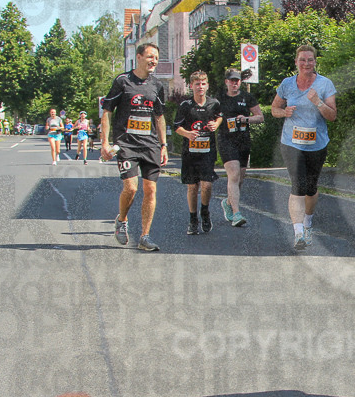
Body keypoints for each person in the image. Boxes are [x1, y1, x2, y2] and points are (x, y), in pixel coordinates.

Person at [100, 42, 168, 252]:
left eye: (156, 58)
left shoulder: (157, 85)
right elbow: (107, 112)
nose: (153, 61)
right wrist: (104, 142)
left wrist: (164, 144)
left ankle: (144, 237)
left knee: (151, 189)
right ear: (138, 57)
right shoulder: (122, 81)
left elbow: (159, 117)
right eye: (150, 57)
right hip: (126, 144)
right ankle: (122, 220)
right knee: (131, 188)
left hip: (150, 145)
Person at [271, 44, 338, 250]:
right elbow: (274, 108)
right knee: (297, 184)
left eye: (310, 60)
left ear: (315, 62)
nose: (306, 63)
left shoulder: (325, 84)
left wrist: (318, 102)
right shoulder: (287, 84)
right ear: (296, 62)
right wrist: (284, 113)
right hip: (291, 142)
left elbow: (332, 116)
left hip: (316, 144)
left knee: (311, 188)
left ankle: (308, 221)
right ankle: (298, 232)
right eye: (302, 60)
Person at [174, 71, 223, 235]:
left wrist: (216, 124)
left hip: (208, 151)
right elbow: (177, 127)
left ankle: (205, 211)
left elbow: (219, 117)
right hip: (190, 152)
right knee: (192, 187)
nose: (200, 87)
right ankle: (193, 219)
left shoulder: (214, 103)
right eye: (197, 84)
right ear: (191, 86)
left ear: (207, 85)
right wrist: (187, 134)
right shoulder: (185, 105)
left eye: (203, 83)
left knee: (207, 185)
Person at [217, 68, 263, 227]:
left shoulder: (247, 97)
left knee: (240, 179)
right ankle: (237, 214)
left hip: (243, 140)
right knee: (234, 174)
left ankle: (228, 203)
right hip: (226, 140)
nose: (234, 83)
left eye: (237, 80)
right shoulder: (220, 98)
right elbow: (212, 115)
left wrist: (246, 119)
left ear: (240, 82)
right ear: (226, 82)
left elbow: (260, 117)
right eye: (231, 80)